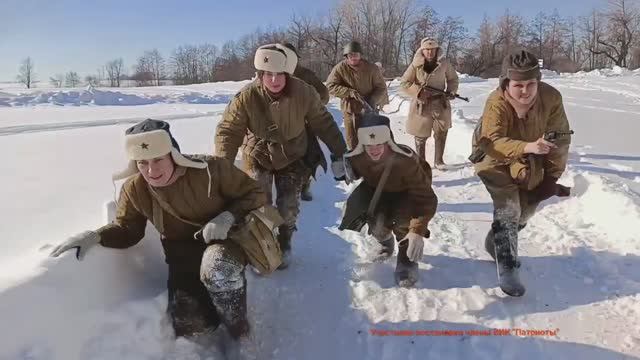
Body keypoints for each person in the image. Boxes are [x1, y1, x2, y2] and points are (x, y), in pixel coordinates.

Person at [49, 119, 269, 341]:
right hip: (181, 255)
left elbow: (255, 193)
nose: (151, 171)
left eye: (158, 160)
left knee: (218, 269)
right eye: (143, 163)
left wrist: (227, 216)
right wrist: (96, 235)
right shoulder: (134, 189)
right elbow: (127, 230)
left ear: (173, 155)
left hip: (225, 240)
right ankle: (211, 316)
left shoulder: (211, 169)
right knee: (190, 321)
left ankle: (239, 329)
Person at [215, 44, 348, 269]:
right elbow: (228, 130)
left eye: (279, 75)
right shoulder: (246, 97)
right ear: (260, 75)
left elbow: (323, 122)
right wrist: (223, 166)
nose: (274, 80)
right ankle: (264, 244)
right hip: (257, 153)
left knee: (288, 206)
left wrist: (340, 152)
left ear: (287, 73)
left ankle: (284, 241)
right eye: (268, 74)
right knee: (260, 204)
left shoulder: (304, 92)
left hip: (293, 153)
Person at [471, 49, 572, 297]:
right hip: (492, 155)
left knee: (526, 208)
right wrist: (527, 146)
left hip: (530, 156)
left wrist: (551, 178)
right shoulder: (496, 102)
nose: (525, 91)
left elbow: (560, 139)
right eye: (518, 85)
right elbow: (491, 141)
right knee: (509, 206)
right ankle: (507, 266)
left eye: (531, 84)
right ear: (506, 83)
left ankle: (495, 242)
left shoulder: (551, 98)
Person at [339, 113, 438, 287]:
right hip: (379, 192)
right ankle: (385, 243)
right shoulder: (358, 157)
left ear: (388, 141)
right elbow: (351, 168)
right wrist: (343, 169)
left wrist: (417, 231)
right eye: (369, 145)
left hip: (407, 193)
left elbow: (426, 198)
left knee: (403, 221)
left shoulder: (406, 161)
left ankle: (406, 257)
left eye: (379, 144)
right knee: (376, 221)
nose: (374, 149)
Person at [400, 37, 459, 170]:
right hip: (422, 104)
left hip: (440, 102)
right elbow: (404, 83)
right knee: (420, 135)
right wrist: (419, 92)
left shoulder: (444, 63)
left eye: (432, 49)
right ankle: (422, 164)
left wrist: (451, 91)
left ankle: (439, 161)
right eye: (427, 49)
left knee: (441, 132)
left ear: (437, 50)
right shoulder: (415, 64)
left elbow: (453, 79)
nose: (430, 52)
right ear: (422, 50)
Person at [280, 42, 330, 202]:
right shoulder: (273, 73)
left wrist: (311, 107)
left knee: (308, 155)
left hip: (305, 124)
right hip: (281, 124)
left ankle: (306, 184)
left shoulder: (306, 74)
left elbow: (324, 94)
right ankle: (289, 189)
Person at [326, 40, 389, 149]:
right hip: (350, 110)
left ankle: (372, 163)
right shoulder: (340, 68)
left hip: (370, 109)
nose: (354, 58)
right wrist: (349, 92)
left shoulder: (371, 68)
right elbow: (330, 85)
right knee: (353, 140)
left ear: (360, 55)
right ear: (346, 56)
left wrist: (373, 99)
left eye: (356, 55)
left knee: (373, 140)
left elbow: (381, 87)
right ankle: (355, 163)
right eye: (351, 55)